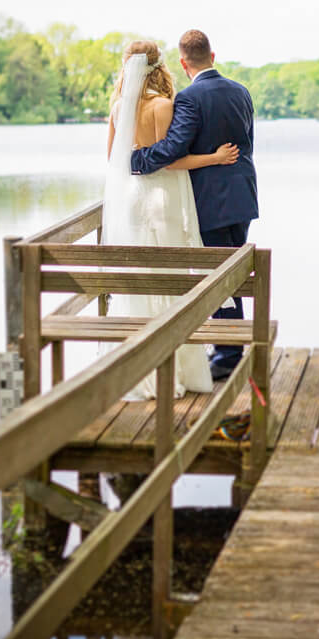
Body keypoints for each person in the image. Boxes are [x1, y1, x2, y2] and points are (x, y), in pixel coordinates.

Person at [103, 39, 239, 401]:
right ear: (160, 66)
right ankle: (173, 364)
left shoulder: (119, 107)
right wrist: (213, 158)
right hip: (163, 200)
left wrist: (136, 164)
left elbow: (115, 161)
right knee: (170, 281)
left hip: (134, 200)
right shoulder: (164, 106)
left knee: (141, 280)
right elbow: (171, 159)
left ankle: (137, 367)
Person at [131, 29, 258, 382]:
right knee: (230, 273)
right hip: (243, 194)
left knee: (217, 276)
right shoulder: (241, 91)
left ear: (184, 63)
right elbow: (247, 142)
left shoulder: (189, 98)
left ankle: (229, 354)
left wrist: (134, 161)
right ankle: (229, 346)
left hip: (210, 200)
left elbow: (172, 150)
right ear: (212, 56)